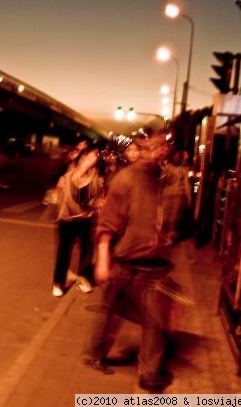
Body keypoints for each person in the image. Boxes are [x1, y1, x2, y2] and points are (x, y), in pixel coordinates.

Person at [83, 130, 177, 392]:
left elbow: (165, 218)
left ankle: (148, 375)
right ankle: (94, 354)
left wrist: (166, 234)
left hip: (151, 267)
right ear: (141, 149)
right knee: (109, 311)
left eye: (161, 147)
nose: (156, 152)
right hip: (123, 262)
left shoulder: (164, 179)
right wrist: (102, 260)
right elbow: (108, 223)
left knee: (154, 321)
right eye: (151, 147)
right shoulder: (125, 179)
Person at [51, 147, 105, 297]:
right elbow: (68, 200)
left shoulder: (95, 179)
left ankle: (82, 280)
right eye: (89, 157)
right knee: (64, 252)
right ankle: (58, 282)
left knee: (87, 252)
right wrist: (83, 212)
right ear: (81, 158)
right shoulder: (68, 178)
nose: (92, 161)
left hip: (86, 221)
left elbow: (97, 199)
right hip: (68, 220)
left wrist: (96, 205)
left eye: (95, 158)